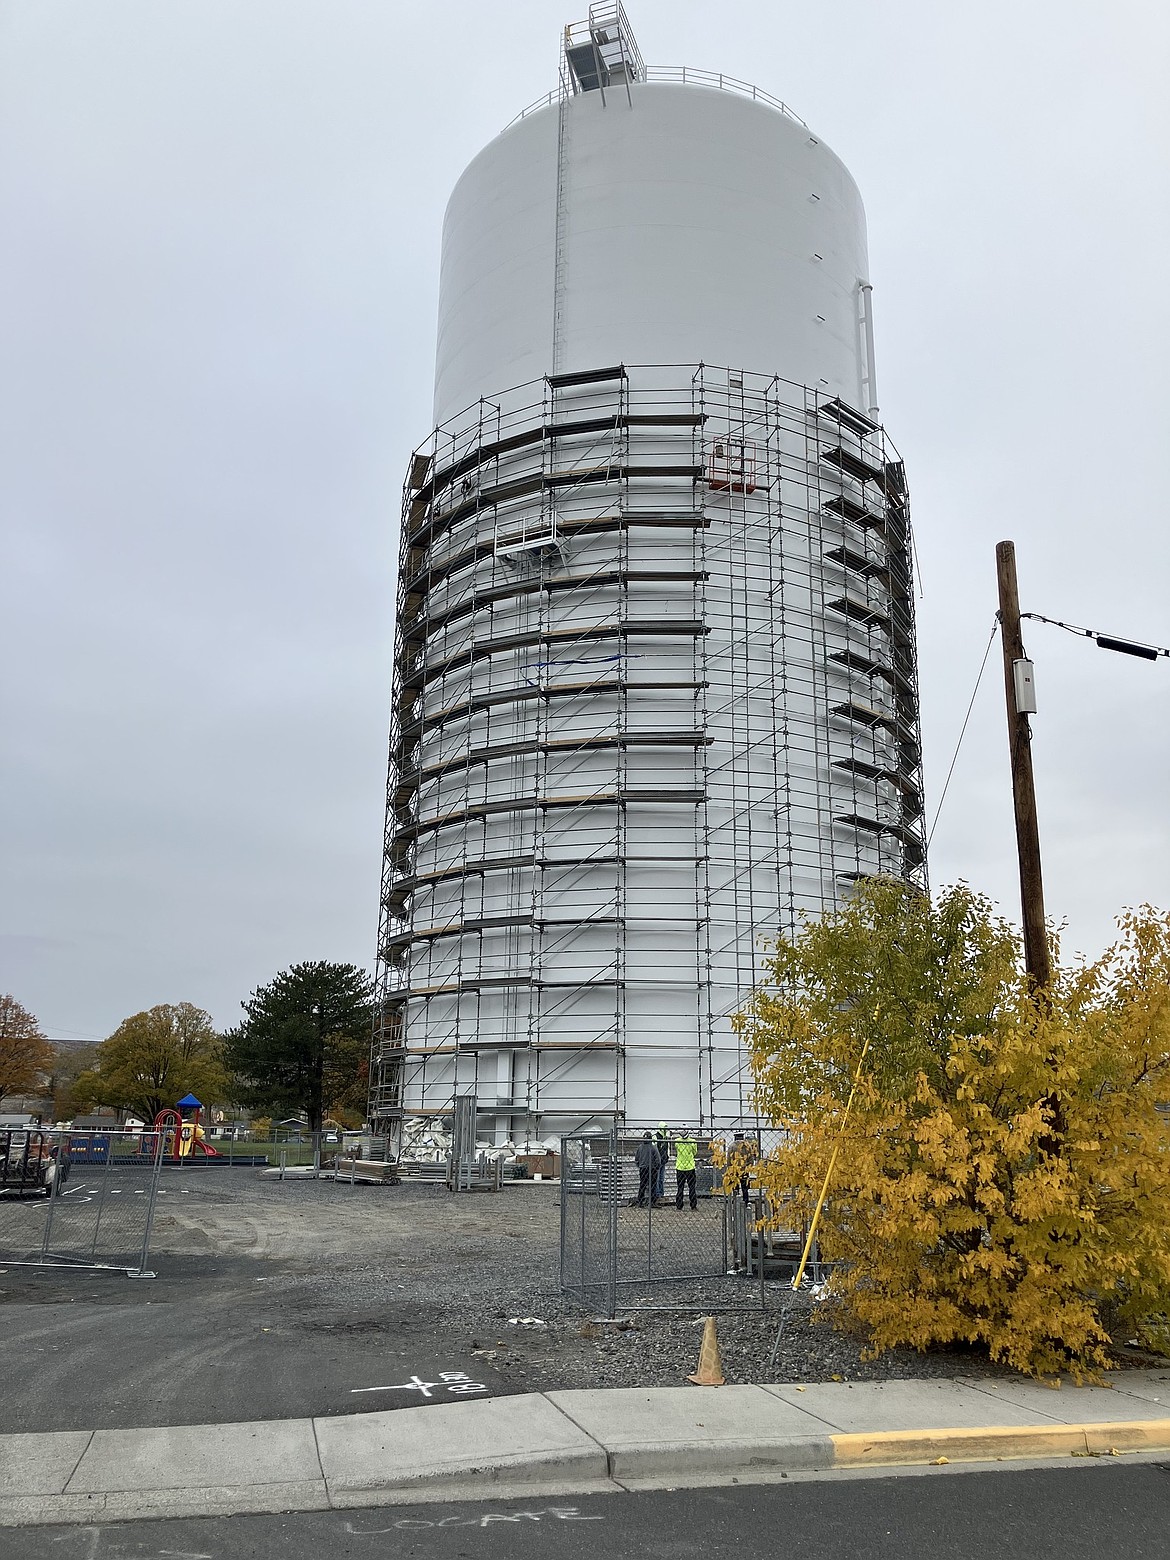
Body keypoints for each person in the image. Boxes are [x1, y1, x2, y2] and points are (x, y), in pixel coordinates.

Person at [674, 1127, 698, 1209]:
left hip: (680, 1167)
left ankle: (679, 1205)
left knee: (680, 1187)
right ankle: (693, 1205)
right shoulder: (693, 1142)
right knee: (692, 1187)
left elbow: (676, 1150)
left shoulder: (677, 1142)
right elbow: (695, 1152)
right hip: (690, 1167)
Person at [633, 1131, 659, 1207]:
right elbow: (658, 1159)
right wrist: (657, 1167)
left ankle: (640, 1201)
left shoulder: (640, 1147)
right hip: (652, 1169)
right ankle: (652, 1202)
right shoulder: (653, 1147)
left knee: (642, 1185)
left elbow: (636, 1159)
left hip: (643, 1168)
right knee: (652, 1185)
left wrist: (640, 1165)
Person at [654, 1122, 670, 1204]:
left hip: (663, 1161)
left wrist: (667, 1156)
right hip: (657, 1162)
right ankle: (657, 1195)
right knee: (657, 1179)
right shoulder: (656, 1137)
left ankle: (661, 1194)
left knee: (661, 1179)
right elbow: (655, 1149)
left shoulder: (666, 1138)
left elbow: (667, 1148)